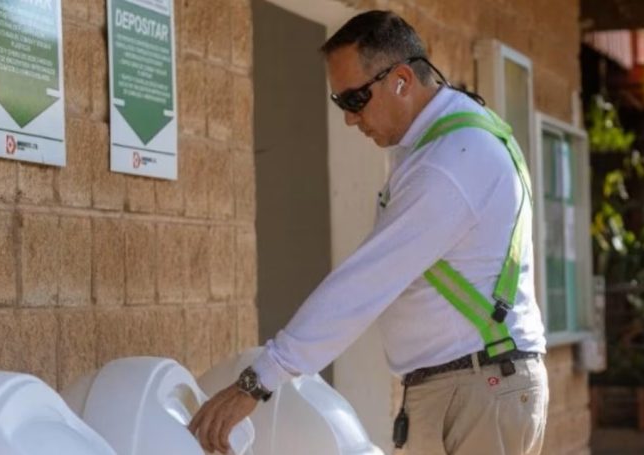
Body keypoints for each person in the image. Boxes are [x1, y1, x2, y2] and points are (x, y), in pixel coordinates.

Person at [189, 10, 548, 455]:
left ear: (401, 80)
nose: (349, 118)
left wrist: (260, 379)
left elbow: (365, 283)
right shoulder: (448, 140)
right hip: (471, 383)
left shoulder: (448, 163)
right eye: (340, 102)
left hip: (477, 387)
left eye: (356, 99)